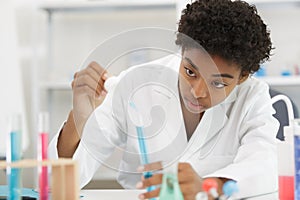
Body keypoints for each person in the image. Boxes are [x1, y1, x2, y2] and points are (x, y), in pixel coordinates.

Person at [49, 0, 279, 199]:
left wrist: (211, 187)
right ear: (182, 52)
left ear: (243, 77)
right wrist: (79, 117)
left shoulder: (253, 97)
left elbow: (265, 164)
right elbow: (59, 183)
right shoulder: (136, 84)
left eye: (218, 83)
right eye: (190, 71)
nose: (197, 91)